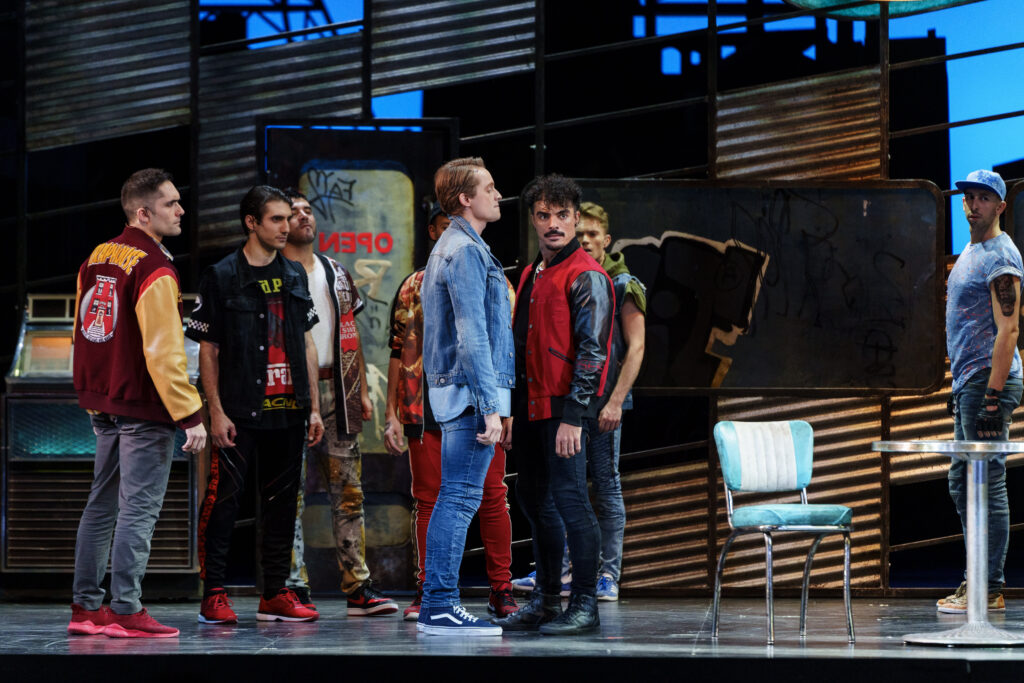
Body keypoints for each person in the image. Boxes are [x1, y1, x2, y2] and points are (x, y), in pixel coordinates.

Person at [68, 168, 208, 639]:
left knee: (101, 504)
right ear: (144, 213)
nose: (181, 210)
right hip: (143, 406)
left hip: (104, 400)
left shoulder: (97, 255)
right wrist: (190, 414)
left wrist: (91, 394)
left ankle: (86, 609)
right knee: (138, 508)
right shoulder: (154, 266)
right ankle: (126, 609)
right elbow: (163, 352)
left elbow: (82, 331)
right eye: (171, 204)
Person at [188, 185, 324, 624]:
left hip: (290, 409)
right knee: (225, 500)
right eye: (277, 220)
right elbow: (208, 350)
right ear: (252, 222)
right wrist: (216, 410)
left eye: (289, 218)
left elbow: (305, 341)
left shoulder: (294, 274)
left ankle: (275, 593)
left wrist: (315, 407)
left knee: (284, 505)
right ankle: (214, 594)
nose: (288, 227)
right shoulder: (222, 274)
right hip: (240, 409)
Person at [383, 203, 518, 622]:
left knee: (492, 497)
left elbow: (501, 346)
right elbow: (397, 349)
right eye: (444, 230)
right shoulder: (413, 286)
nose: (451, 238)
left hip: (477, 403)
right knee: (431, 499)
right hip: (423, 407)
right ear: (433, 233)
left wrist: (504, 407)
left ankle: (501, 588)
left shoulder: (495, 278)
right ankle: (433, 593)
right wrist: (392, 412)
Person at [497, 175, 613, 635]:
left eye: (562, 215)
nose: (553, 224)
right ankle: (546, 601)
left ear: (576, 219)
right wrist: (508, 411)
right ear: (533, 219)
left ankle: (585, 604)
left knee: (570, 501)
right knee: (533, 497)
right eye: (543, 215)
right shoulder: (531, 273)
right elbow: (515, 345)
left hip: (564, 409)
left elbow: (593, 352)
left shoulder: (586, 274)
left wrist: (574, 417)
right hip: (530, 408)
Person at [282, 188, 398, 616]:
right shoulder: (275, 271)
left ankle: (358, 587)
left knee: (349, 491)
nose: (303, 218)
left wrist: (362, 388)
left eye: (307, 211)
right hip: (291, 390)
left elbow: (352, 333)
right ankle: (293, 585)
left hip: (338, 387)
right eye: (292, 213)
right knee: (288, 493)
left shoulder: (335, 270)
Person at [416, 157, 513, 636]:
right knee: (457, 499)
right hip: (469, 393)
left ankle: (437, 603)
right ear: (465, 199)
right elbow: (472, 333)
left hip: (462, 389)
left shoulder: (456, 246)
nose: (498, 195)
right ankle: (439, 604)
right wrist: (491, 404)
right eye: (489, 188)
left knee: (453, 498)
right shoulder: (464, 251)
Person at [937, 169, 1023, 614]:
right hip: (969, 382)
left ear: (1001, 206)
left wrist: (991, 396)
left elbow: (1008, 329)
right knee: (961, 482)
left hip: (988, 381)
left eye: (983, 198)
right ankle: (979, 579)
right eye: (968, 196)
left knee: (986, 483)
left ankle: (987, 587)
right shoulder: (974, 249)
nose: (972, 204)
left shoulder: (1000, 255)